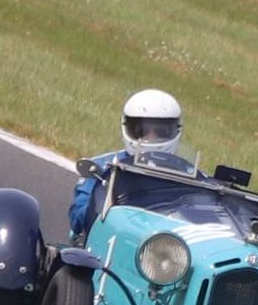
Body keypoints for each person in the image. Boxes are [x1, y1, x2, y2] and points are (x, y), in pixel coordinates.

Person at [67, 89, 187, 241]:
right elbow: (78, 219)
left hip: (164, 252)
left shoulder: (187, 174)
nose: (151, 138)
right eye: (141, 130)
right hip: (109, 242)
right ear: (128, 127)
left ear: (175, 129)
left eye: (161, 131)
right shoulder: (101, 167)